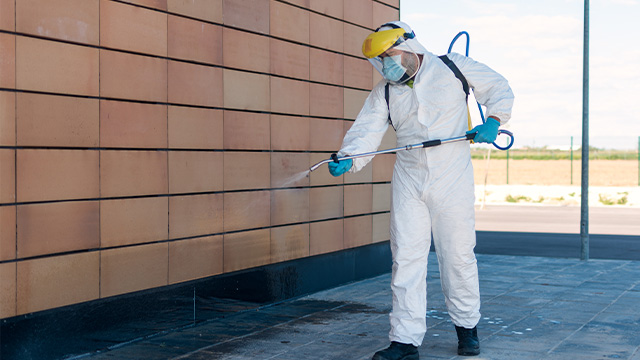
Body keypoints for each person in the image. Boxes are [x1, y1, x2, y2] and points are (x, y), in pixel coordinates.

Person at [328, 21, 514, 359]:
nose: (387, 64)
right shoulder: (385, 91)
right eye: (380, 60)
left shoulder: (453, 67)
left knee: (457, 256)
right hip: (409, 178)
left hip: (452, 176)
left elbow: (498, 87)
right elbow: (366, 132)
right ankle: (405, 341)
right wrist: (348, 158)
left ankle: (467, 327)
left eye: (390, 55)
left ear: (410, 46)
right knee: (407, 259)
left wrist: (494, 120)